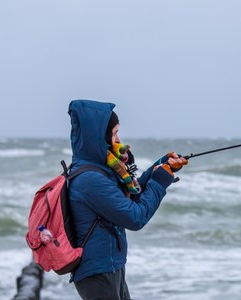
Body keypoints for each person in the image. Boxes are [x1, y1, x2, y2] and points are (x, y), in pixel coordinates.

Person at [67, 99, 187, 300]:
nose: (118, 139)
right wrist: (160, 183)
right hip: (98, 273)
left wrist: (161, 167)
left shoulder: (101, 169)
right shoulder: (90, 179)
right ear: (99, 137)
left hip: (110, 266)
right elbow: (134, 217)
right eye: (113, 133)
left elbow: (131, 196)